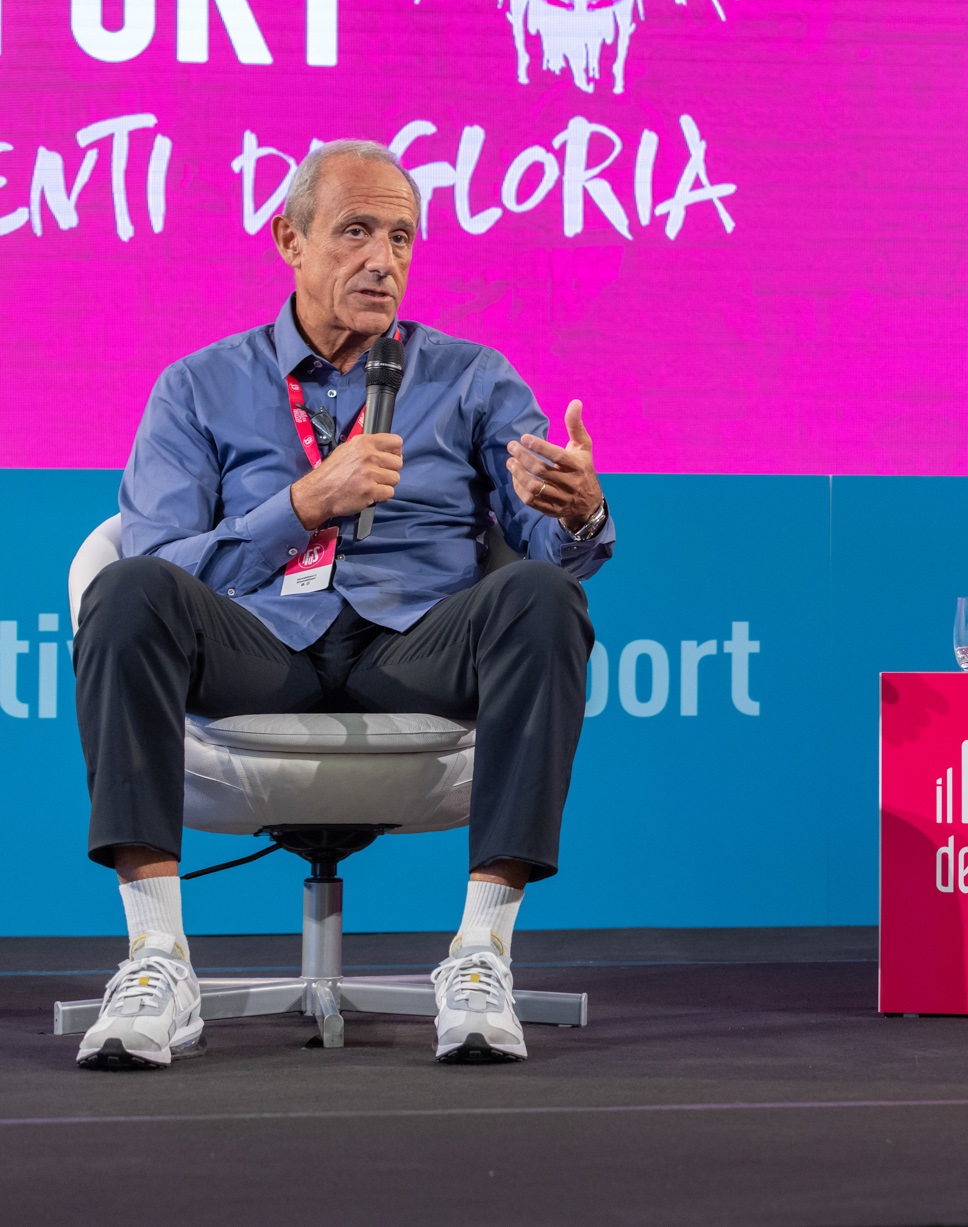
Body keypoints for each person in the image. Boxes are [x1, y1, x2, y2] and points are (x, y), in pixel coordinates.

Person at [72, 140, 614, 1070]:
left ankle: (482, 951)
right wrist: (302, 506)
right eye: (357, 230)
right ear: (289, 237)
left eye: (401, 237)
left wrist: (582, 510)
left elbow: (547, 542)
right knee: (124, 592)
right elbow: (161, 557)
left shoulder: (472, 378)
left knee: (541, 596)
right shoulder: (199, 386)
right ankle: (158, 956)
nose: (383, 259)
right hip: (262, 648)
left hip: (416, 645)